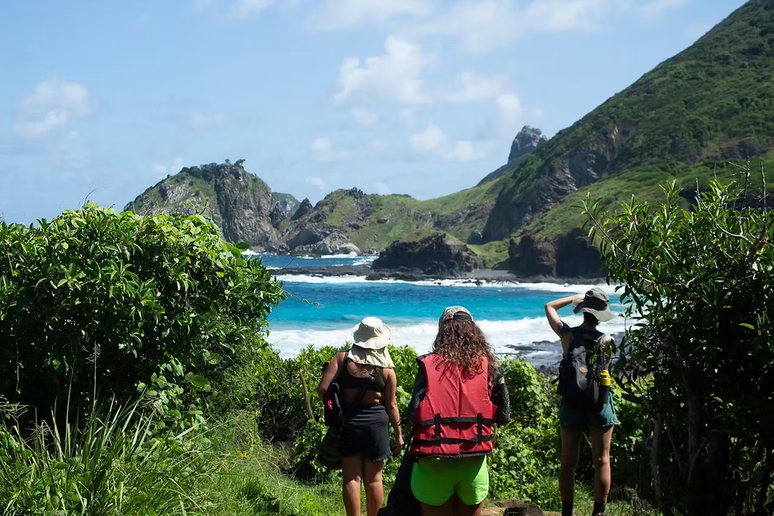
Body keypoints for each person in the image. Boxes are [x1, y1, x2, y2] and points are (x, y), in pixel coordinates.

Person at [407, 306, 510, 516]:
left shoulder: (428, 365)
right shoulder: (489, 367)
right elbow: (504, 415)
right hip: (473, 462)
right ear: (474, 331)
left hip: (434, 462)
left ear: (442, 331)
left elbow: (413, 412)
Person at [317, 317, 403, 516]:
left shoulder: (341, 358)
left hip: (349, 423)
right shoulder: (387, 370)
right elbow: (391, 405)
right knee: (374, 479)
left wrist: (338, 401)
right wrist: (399, 434)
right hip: (376, 426)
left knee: (351, 478)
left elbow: (322, 390)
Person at [545, 287, 617, 516]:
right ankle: (599, 511)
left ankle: (567, 512)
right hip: (600, 402)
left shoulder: (567, 335)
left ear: (583, 310)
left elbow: (549, 307)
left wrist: (574, 298)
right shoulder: (608, 341)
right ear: (601, 314)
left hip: (572, 402)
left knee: (568, 462)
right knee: (602, 459)